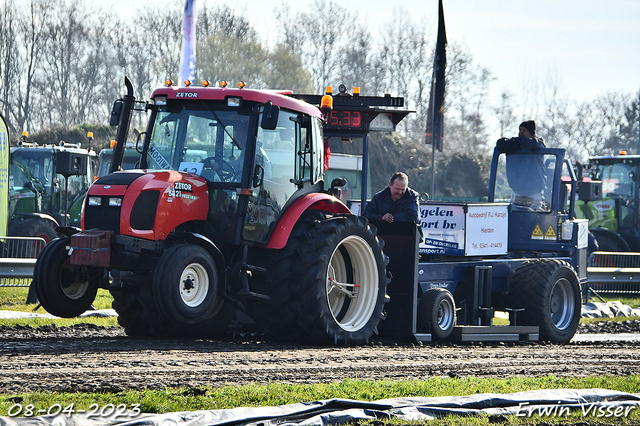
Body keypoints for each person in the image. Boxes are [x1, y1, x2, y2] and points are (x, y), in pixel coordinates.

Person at [496, 120, 547, 211]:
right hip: (517, 191)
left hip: (534, 192)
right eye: (520, 130)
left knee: (536, 215)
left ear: (531, 134)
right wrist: (518, 145)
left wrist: (517, 143)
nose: (521, 133)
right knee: (514, 213)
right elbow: (501, 144)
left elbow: (533, 145)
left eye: (524, 130)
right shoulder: (516, 144)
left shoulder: (537, 144)